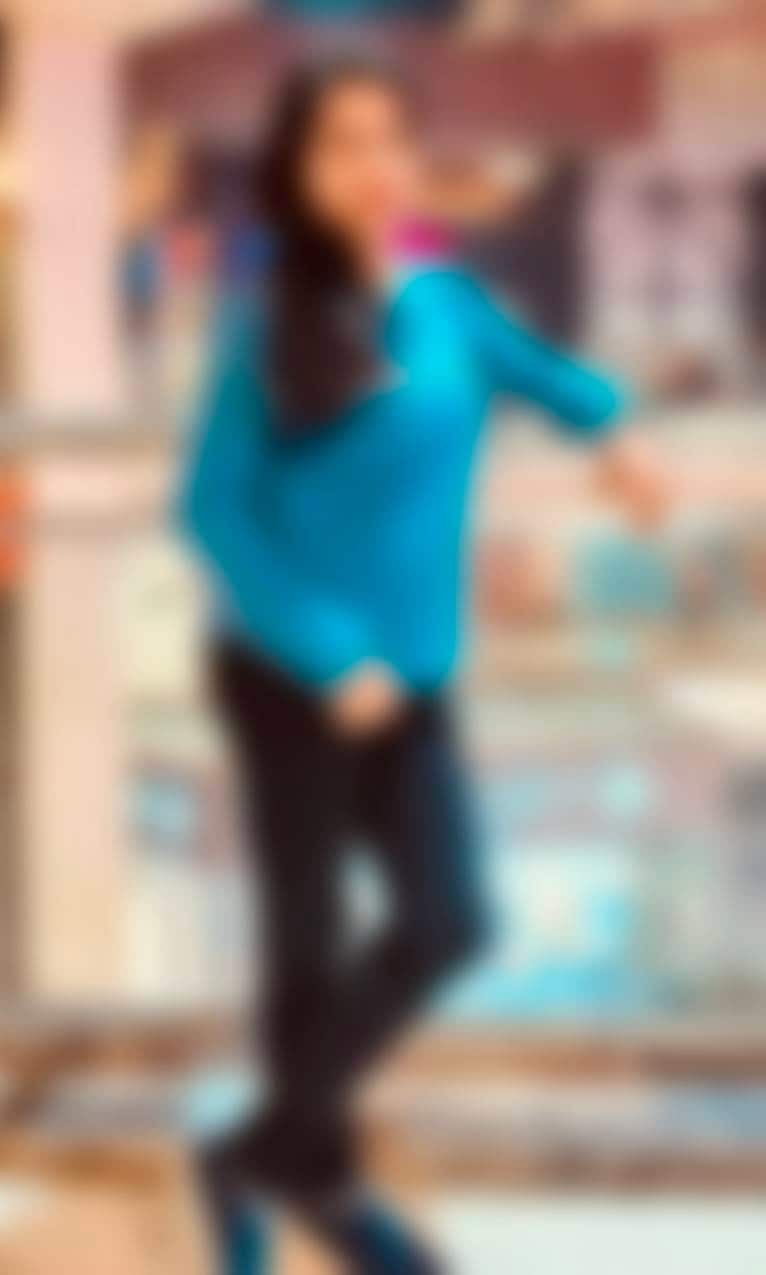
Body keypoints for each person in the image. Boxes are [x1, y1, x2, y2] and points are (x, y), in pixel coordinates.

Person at [179, 54, 669, 1275]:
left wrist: (611, 432)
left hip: (417, 682)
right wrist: (328, 652)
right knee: (302, 943)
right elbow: (213, 509)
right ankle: (320, 1178)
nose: (370, 165)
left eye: (388, 139)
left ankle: (256, 1152)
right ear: (298, 170)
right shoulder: (263, 323)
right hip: (288, 680)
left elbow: (548, 377)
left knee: (450, 922)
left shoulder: (447, 304)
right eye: (339, 143)